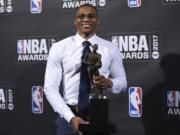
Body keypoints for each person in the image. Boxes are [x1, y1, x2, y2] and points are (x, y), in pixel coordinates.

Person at [44, 4, 127, 135]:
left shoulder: (110, 48)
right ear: (75, 21)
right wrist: (71, 118)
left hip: (99, 114)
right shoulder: (59, 48)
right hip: (68, 116)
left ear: (98, 20)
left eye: (91, 16)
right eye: (81, 16)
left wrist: (110, 83)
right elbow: (50, 87)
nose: (86, 19)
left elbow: (122, 82)